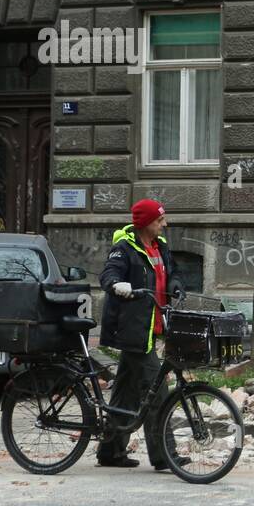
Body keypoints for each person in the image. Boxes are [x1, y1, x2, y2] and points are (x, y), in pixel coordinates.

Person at [96, 199, 184, 470]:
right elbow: (108, 275)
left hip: (151, 327)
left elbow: (172, 273)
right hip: (133, 331)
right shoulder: (124, 250)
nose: (165, 224)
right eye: (160, 220)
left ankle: (110, 451)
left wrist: (176, 286)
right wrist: (117, 285)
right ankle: (164, 455)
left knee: (126, 393)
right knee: (158, 392)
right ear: (146, 223)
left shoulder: (161, 247)